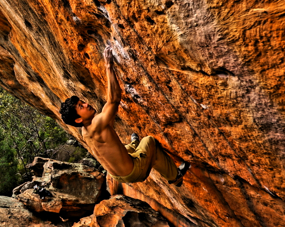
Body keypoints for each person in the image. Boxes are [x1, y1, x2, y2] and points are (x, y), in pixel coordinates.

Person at [59, 45, 189, 186]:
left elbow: (108, 116)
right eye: (81, 106)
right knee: (150, 142)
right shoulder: (97, 124)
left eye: (82, 102)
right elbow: (114, 100)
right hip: (134, 171)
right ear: (78, 119)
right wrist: (109, 66)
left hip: (118, 175)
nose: (86, 104)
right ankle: (176, 177)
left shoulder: (85, 130)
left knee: (125, 146)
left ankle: (134, 145)